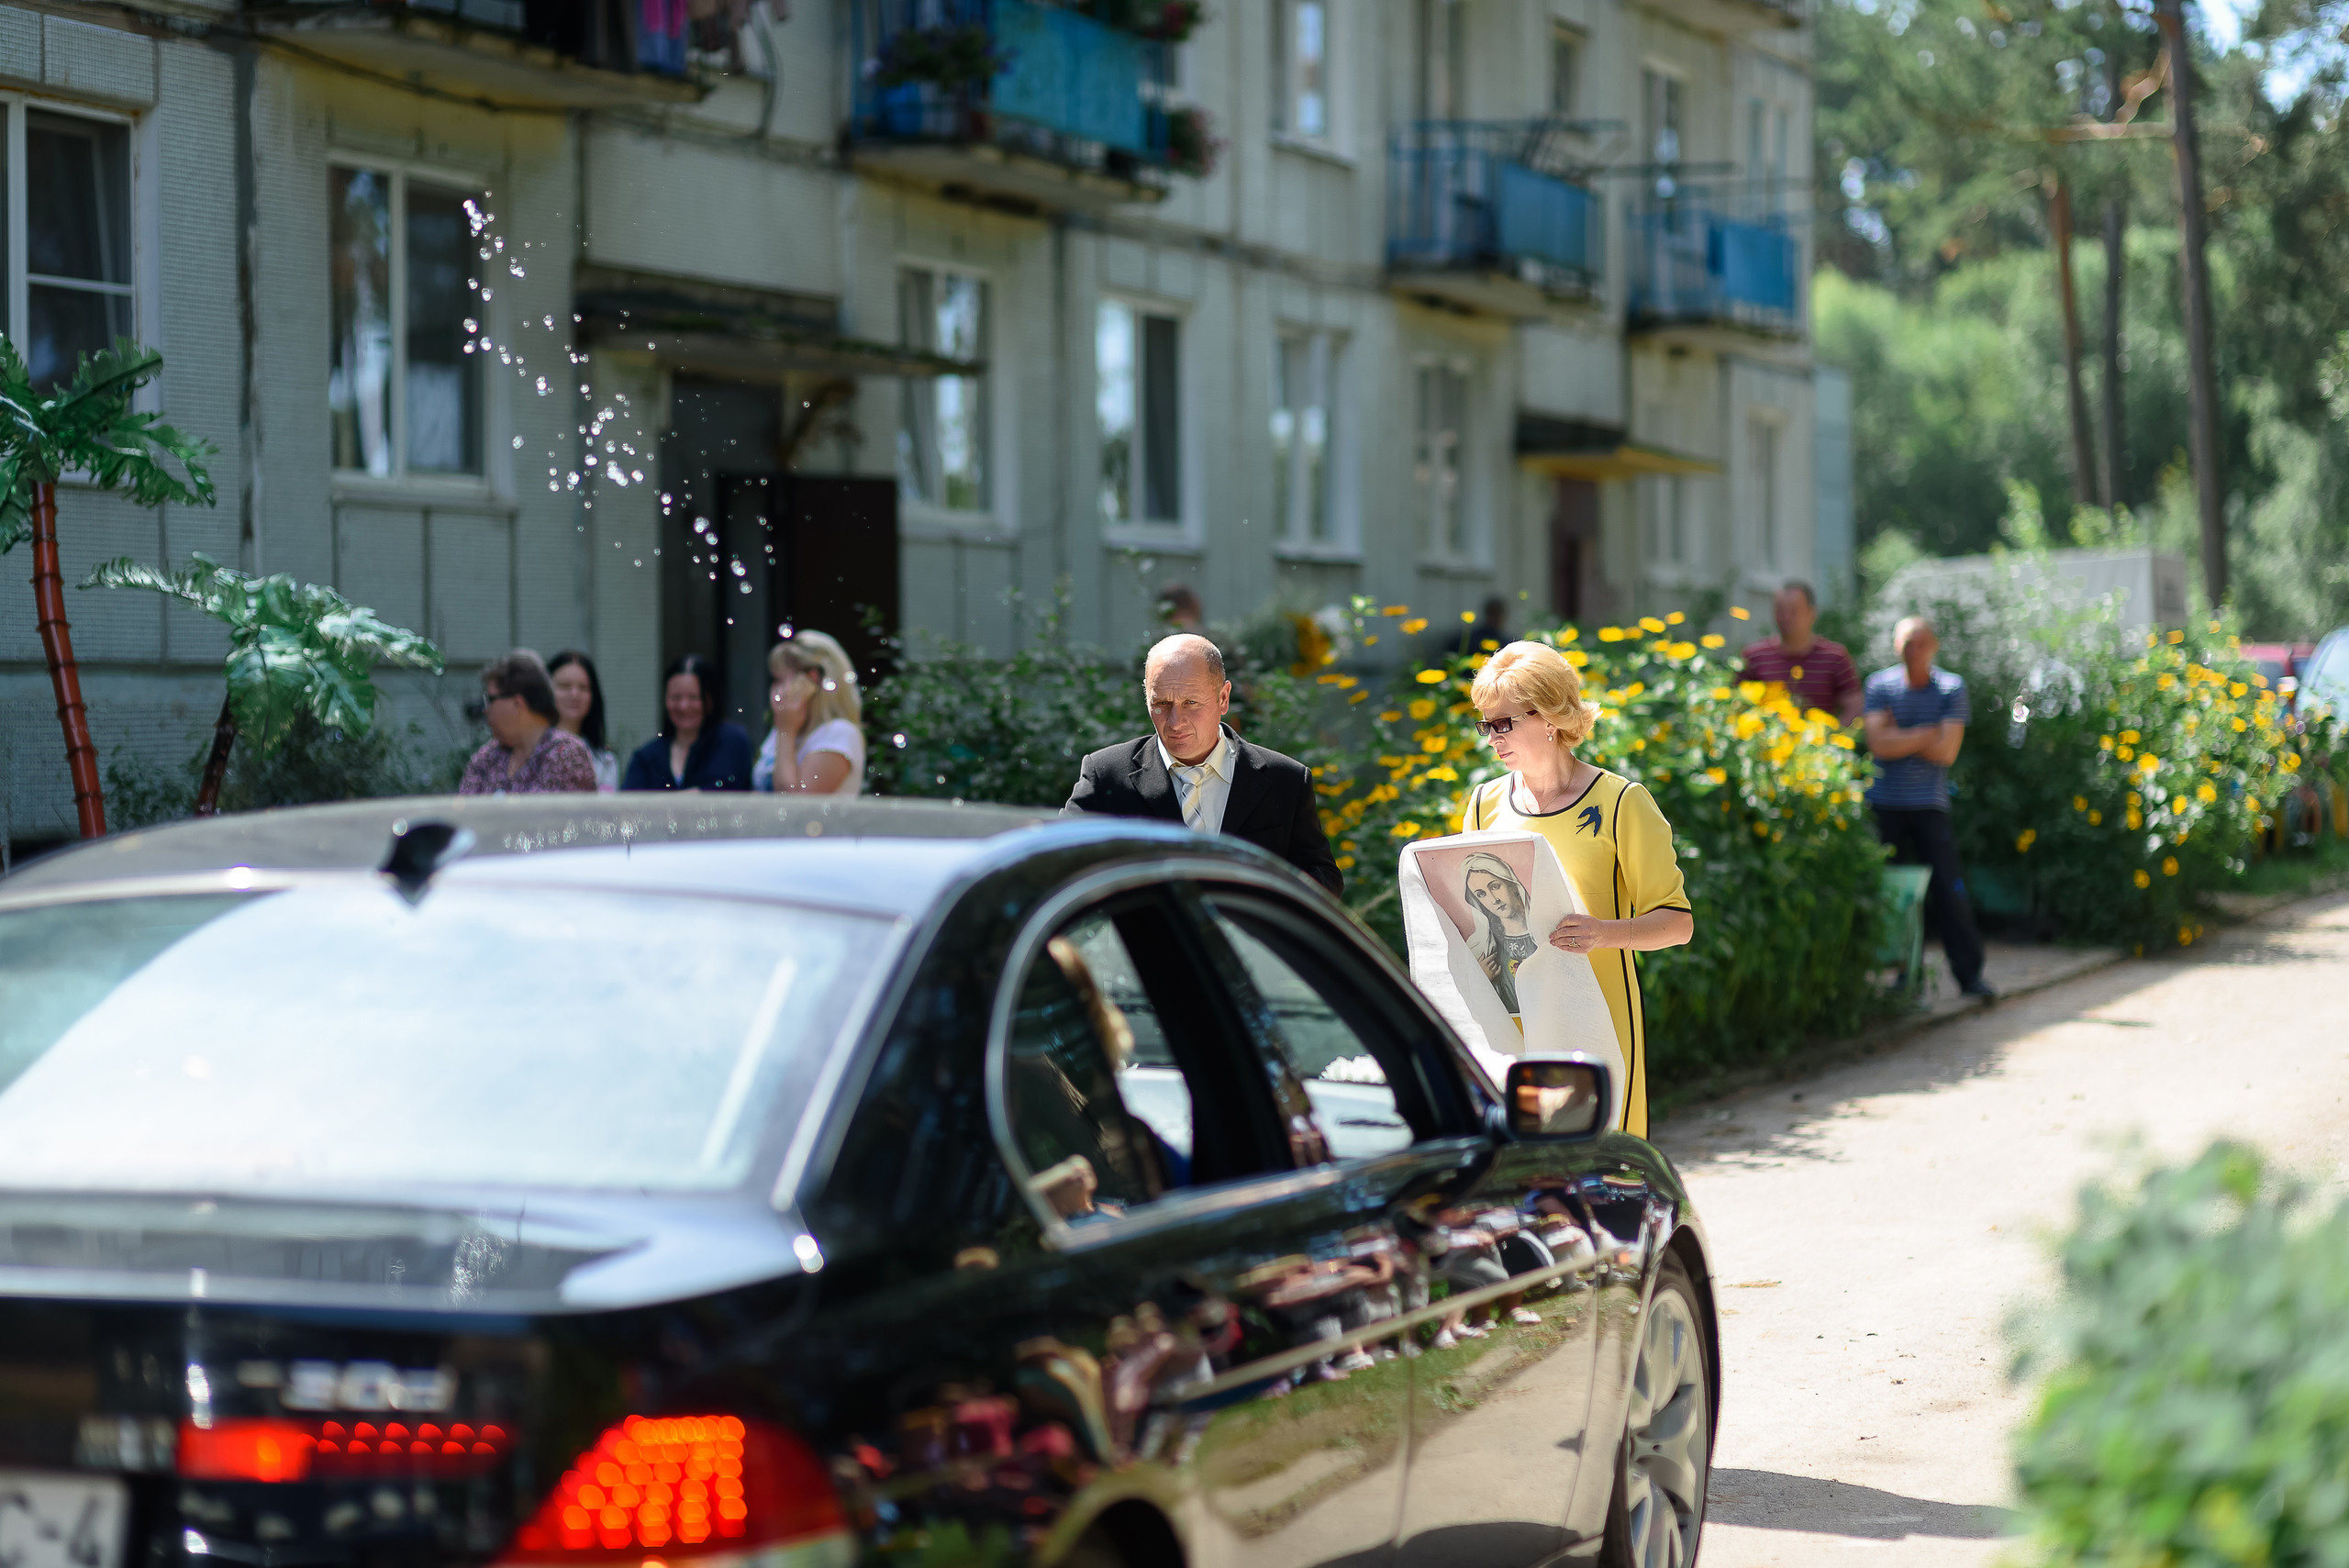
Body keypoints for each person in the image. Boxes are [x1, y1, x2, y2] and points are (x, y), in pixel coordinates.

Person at [1462, 641, 1695, 1139]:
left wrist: (1603, 933)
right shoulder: (1484, 804)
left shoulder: (1621, 802)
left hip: (1600, 1015)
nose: (1492, 738)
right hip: (1515, 1019)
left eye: (1503, 723)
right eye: (1486, 724)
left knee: (1604, 1172)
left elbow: (1677, 924)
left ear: (1549, 716)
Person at [1065, 633, 1342, 895]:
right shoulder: (1106, 775)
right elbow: (1059, 867)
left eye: (1191, 703)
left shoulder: (1287, 781)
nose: (1175, 722)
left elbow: (1323, 880)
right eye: (1161, 703)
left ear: (1223, 698)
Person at [1865, 617, 1994, 999]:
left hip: (1928, 806)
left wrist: (1898, 735)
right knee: (1892, 894)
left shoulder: (1952, 688)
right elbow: (1878, 744)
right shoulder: (1879, 685)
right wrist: (1927, 732)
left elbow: (1947, 751)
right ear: (1895, 647)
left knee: (1948, 890)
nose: (1913, 651)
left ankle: (1969, 977)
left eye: (1920, 643)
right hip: (1884, 804)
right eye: (1906, 643)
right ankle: (1905, 975)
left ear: (1933, 646)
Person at [458, 650, 598, 795]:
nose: (486, 710)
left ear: (517, 704)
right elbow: (463, 812)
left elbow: (578, 815)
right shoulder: (487, 758)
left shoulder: (566, 754)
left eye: (490, 700)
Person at [620, 652, 754, 792]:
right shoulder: (647, 757)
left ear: (710, 700)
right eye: (676, 697)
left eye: (693, 697)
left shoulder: (732, 741)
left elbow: (718, 796)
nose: (683, 706)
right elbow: (628, 804)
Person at [753, 630, 866, 795]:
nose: (774, 691)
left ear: (812, 681)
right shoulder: (784, 727)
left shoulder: (839, 733)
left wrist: (786, 732)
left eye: (780, 680)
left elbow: (794, 803)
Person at [1740, 581, 1863, 725]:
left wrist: (1834, 738)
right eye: (1780, 610)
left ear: (1811, 613)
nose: (1785, 617)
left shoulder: (1835, 657)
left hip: (1817, 744)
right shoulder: (1754, 656)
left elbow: (1855, 706)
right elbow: (1737, 704)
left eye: (1793, 611)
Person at [548, 650, 620, 793]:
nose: (574, 694)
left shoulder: (606, 760)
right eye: (564, 686)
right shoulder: (529, 751)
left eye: (583, 688)